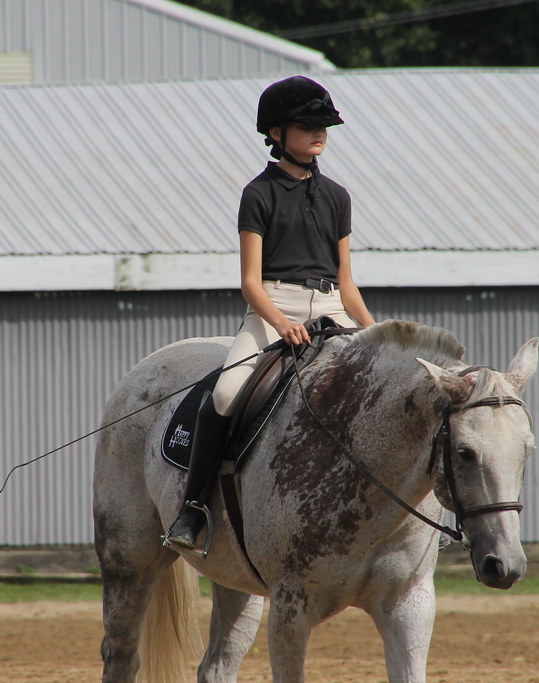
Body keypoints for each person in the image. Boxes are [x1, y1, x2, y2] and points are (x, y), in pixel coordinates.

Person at [163, 75, 376, 551]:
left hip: (330, 308)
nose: (320, 132)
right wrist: (281, 324)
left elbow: (346, 281)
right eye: (308, 125)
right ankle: (193, 509)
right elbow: (249, 283)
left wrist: (375, 331)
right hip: (272, 309)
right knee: (224, 393)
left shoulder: (338, 196)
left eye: (325, 125)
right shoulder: (258, 194)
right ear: (277, 133)